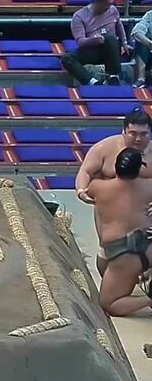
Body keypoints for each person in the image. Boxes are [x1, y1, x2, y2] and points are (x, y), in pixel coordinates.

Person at [76, 108, 152, 275]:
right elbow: (85, 171)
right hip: (111, 211)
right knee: (107, 255)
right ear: (123, 131)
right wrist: (82, 190)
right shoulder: (105, 148)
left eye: (143, 134)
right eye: (133, 133)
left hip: (146, 211)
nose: (138, 139)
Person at [87, 148, 152, 316]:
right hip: (149, 245)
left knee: (109, 303)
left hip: (122, 253)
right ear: (140, 168)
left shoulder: (97, 187)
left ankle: (149, 300)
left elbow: (84, 185)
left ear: (114, 167)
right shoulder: (149, 185)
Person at [61, 0, 131, 86]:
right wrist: (95, 40)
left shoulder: (113, 10)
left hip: (113, 50)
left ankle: (114, 77)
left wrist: (124, 43)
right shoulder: (79, 16)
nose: (109, 7)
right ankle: (93, 82)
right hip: (93, 50)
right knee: (66, 58)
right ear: (96, 2)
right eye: (106, 5)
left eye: (110, 4)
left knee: (110, 38)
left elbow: (119, 25)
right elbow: (80, 41)